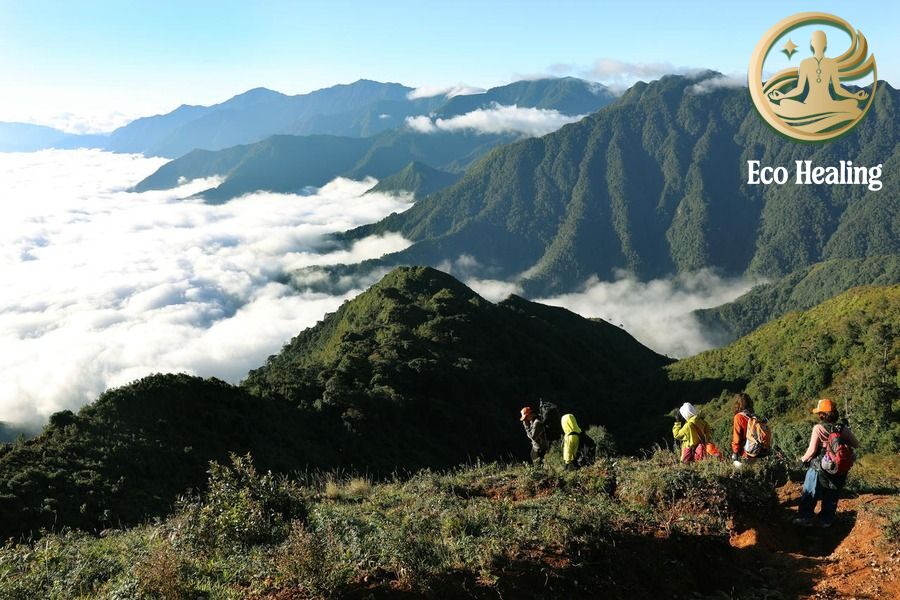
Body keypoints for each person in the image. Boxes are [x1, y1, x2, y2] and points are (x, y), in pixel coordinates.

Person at [767, 30, 868, 133]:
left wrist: (855, 96)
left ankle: (815, 114)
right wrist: (782, 97)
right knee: (784, 102)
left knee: (853, 102)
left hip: (822, 104)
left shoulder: (831, 64)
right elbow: (799, 89)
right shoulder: (805, 63)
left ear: (813, 43)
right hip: (815, 104)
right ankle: (828, 114)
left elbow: (837, 89)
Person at [794, 399, 859, 528]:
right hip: (838, 467)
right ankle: (826, 521)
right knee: (832, 494)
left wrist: (802, 460)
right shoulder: (843, 428)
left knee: (810, 492)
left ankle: (805, 518)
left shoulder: (818, 428)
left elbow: (812, 450)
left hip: (819, 467)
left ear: (822, 414)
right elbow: (856, 444)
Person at [731, 392, 753, 462]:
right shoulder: (753, 416)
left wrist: (735, 453)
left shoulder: (738, 417)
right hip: (757, 451)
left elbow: (737, 438)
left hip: (746, 452)